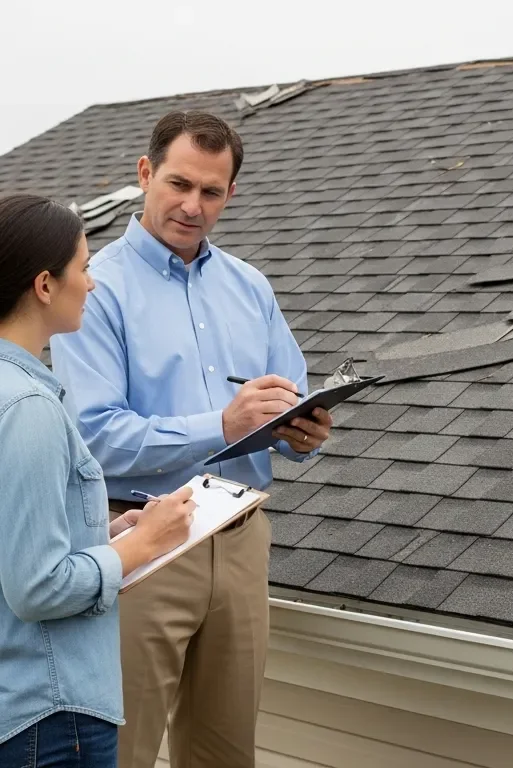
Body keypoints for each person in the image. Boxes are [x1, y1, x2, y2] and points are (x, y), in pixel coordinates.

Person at [49, 111, 335, 768]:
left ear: (230, 194)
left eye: (211, 191)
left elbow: (284, 400)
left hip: (239, 538)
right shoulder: (95, 286)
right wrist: (224, 425)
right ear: (145, 175)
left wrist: (302, 432)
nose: (191, 205)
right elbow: (94, 437)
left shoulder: (249, 287)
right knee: (118, 749)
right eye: (178, 183)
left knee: (224, 753)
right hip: (140, 542)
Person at [0, 194, 196, 767]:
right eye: (83, 268)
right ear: (44, 285)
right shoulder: (28, 406)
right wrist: (143, 544)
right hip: (52, 716)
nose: (91, 283)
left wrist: (104, 533)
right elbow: (37, 586)